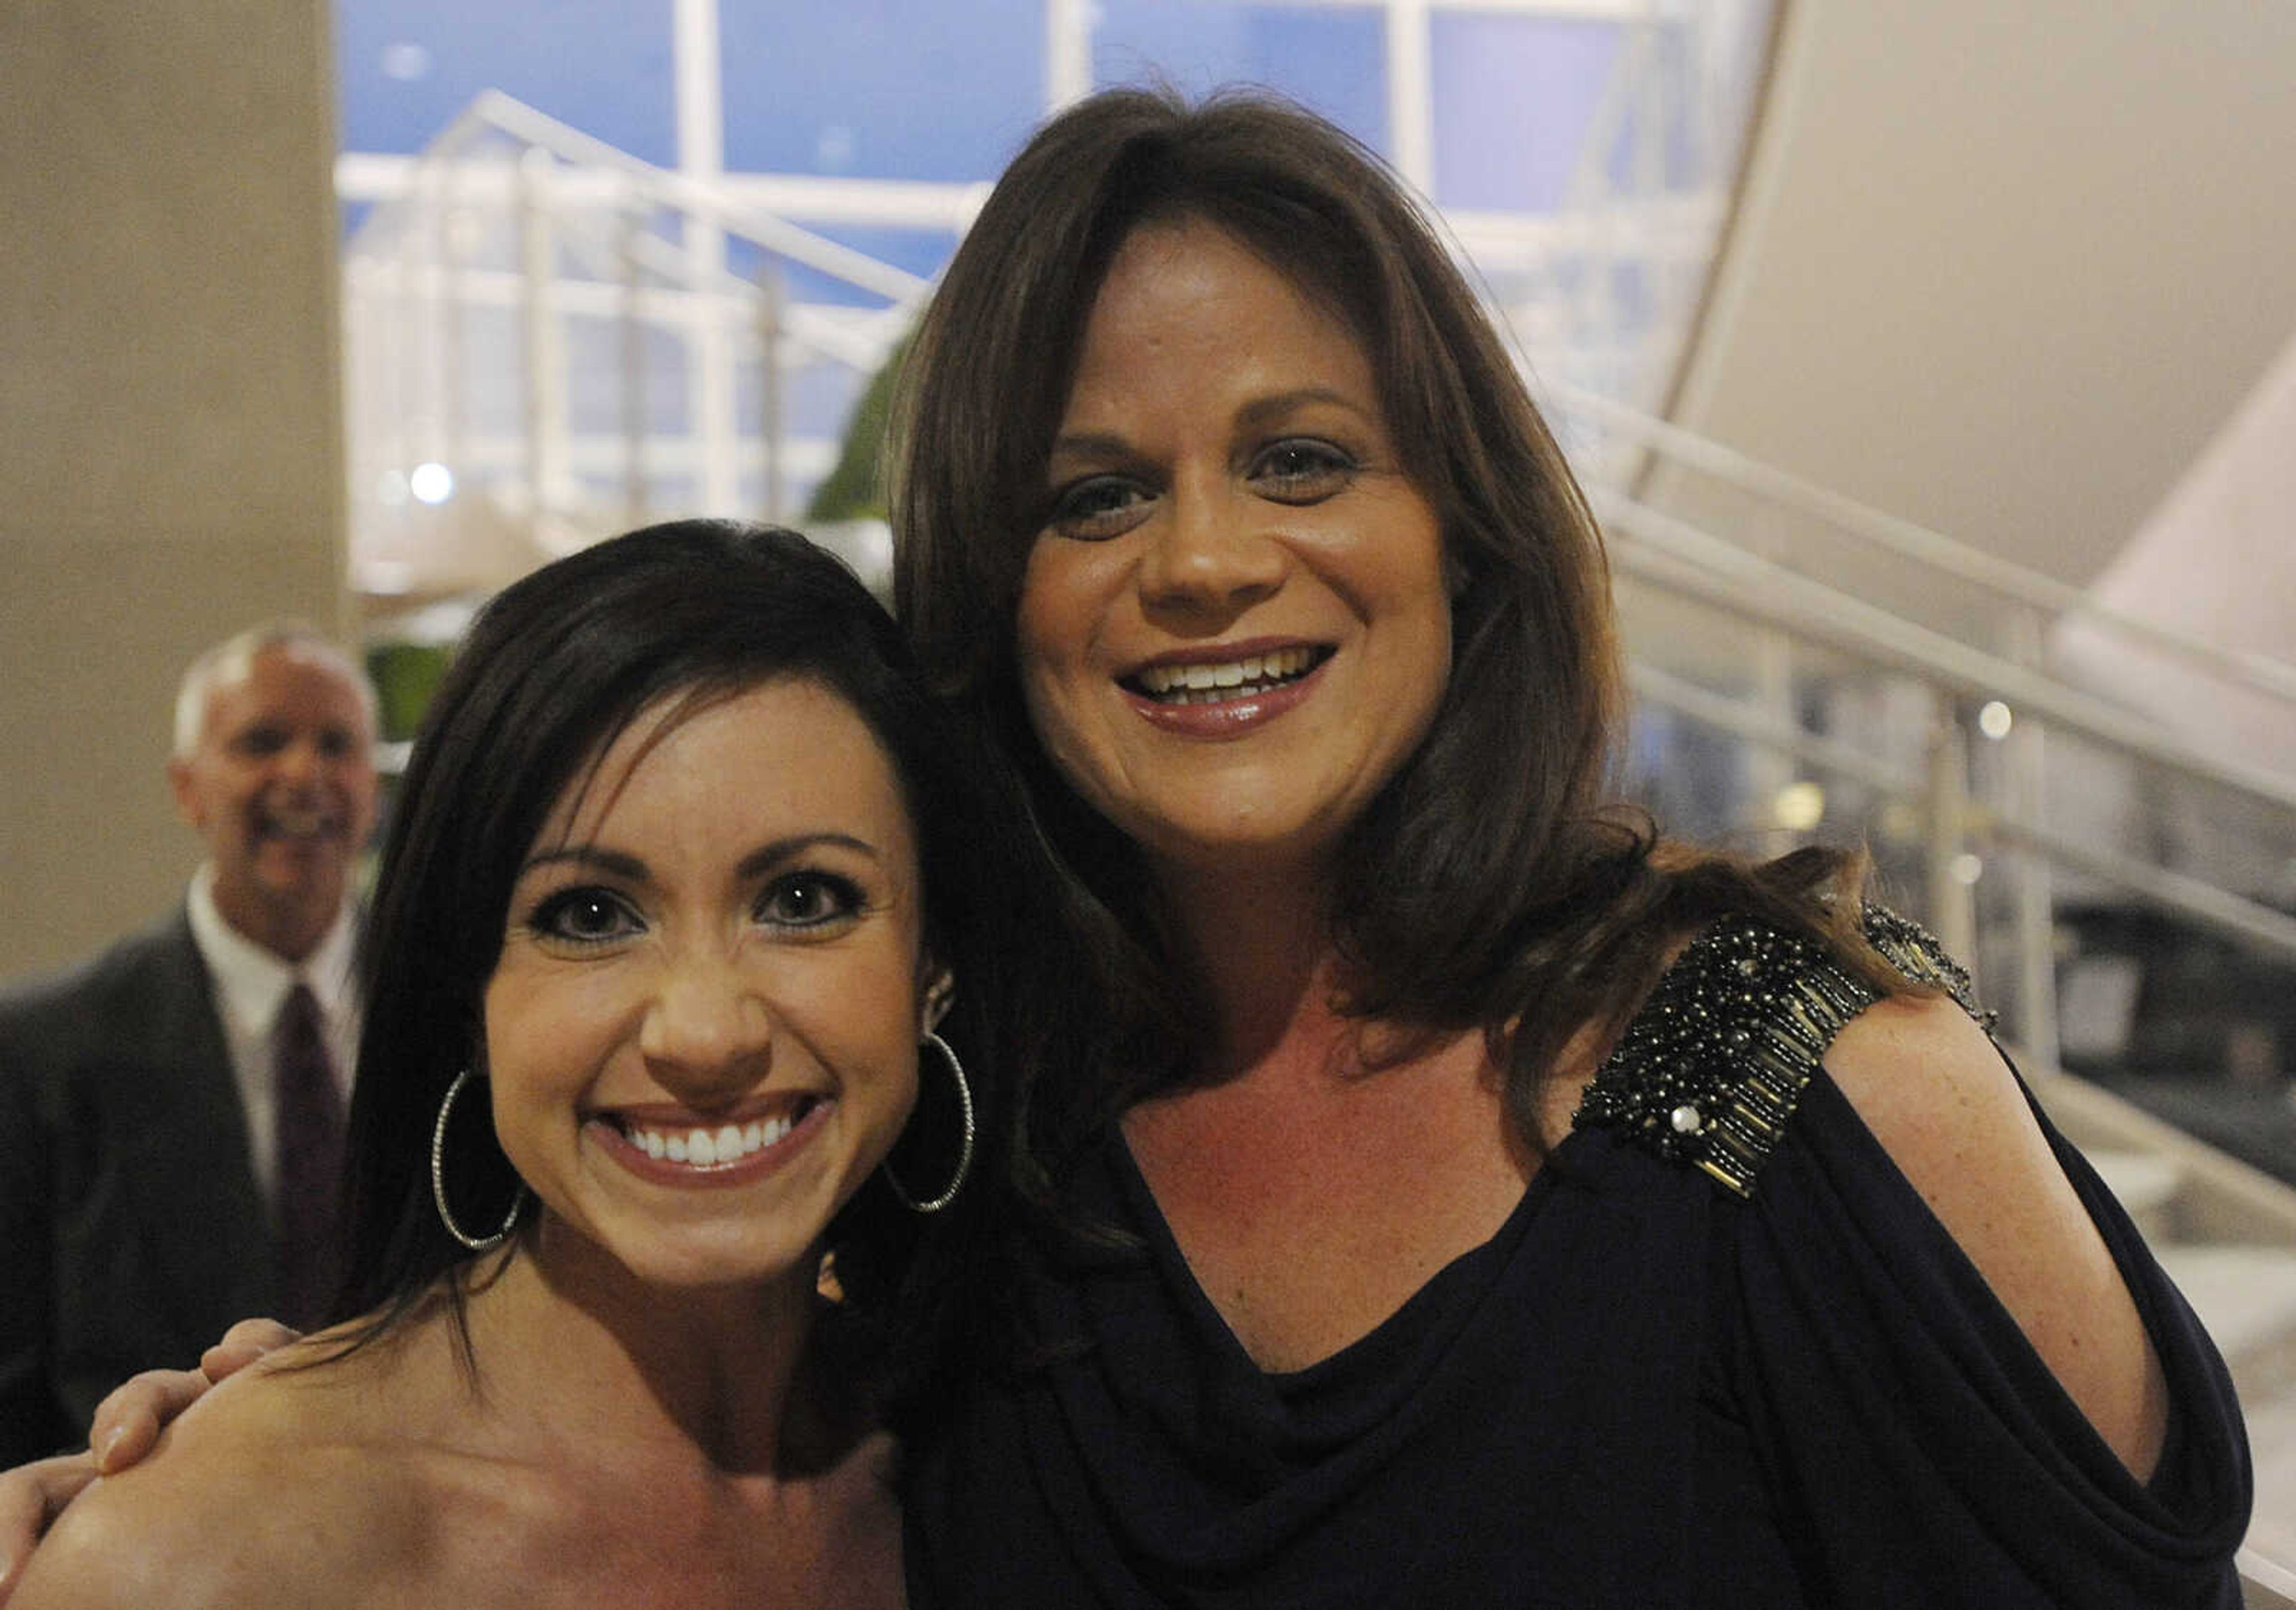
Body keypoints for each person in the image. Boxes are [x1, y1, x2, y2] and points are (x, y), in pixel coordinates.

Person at [0, 88, 2253, 1606]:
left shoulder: (1799, 1088)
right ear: (996, 594)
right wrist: (231, 1476)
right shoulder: (981, 1169)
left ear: (1456, 535)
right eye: (1096, 494)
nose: (1203, 564)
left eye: (1298, 458)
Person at [2, 521, 1033, 1608]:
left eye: (803, 899)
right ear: (466, 997)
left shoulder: (1027, 1458)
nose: (704, 1031)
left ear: (936, 968)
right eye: (590, 914)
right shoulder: (203, 1555)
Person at [0, 624, 380, 1461]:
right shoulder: (42, 1052)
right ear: (188, 790)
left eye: (336, 744)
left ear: (372, 787)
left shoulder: (468, 1012)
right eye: (262, 741)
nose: (303, 773)